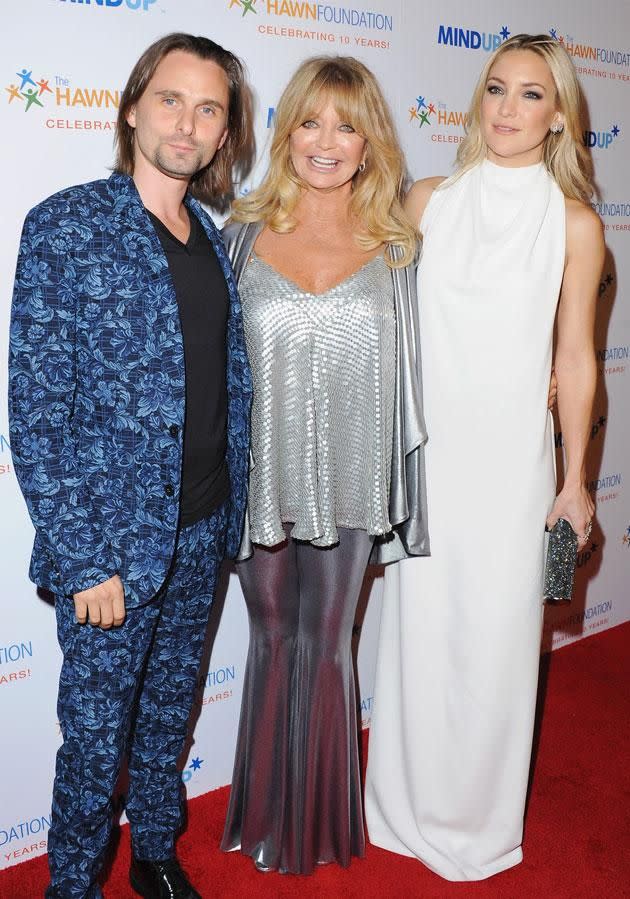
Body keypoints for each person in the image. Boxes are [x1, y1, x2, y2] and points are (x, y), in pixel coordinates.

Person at [8, 33, 252, 899]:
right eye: (172, 100)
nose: (188, 122)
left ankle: (154, 853)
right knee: (93, 741)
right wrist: (82, 558)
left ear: (223, 134)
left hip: (203, 528)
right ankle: (70, 885)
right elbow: (36, 413)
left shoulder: (214, 237)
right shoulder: (66, 226)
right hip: (108, 551)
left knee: (166, 717)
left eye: (209, 108)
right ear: (132, 108)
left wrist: (231, 518)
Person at [365, 33, 604, 881]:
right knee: (422, 636)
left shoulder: (574, 225)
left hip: (511, 466)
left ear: (559, 116)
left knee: (498, 643)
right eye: (497, 89)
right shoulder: (429, 200)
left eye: (531, 94)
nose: (507, 109)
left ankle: (478, 823)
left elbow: (575, 358)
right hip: (430, 461)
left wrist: (576, 480)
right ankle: (397, 808)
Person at [219, 56, 429, 874]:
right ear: (286, 131)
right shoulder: (236, 234)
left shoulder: (402, 249)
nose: (327, 141)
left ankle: (322, 824)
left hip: (351, 479)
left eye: (347, 124)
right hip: (260, 483)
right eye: (310, 120)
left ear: (370, 140)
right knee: (272, 635)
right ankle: (265, 811)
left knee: (329, 638)